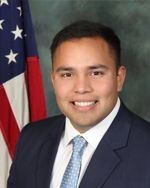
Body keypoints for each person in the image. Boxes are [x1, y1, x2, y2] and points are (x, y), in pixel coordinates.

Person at [7, 20, 150, 188]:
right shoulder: (30, 138)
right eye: (67, 74)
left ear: (119, 78)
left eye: (96, 73)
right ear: (53, 80)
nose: (81, 88)